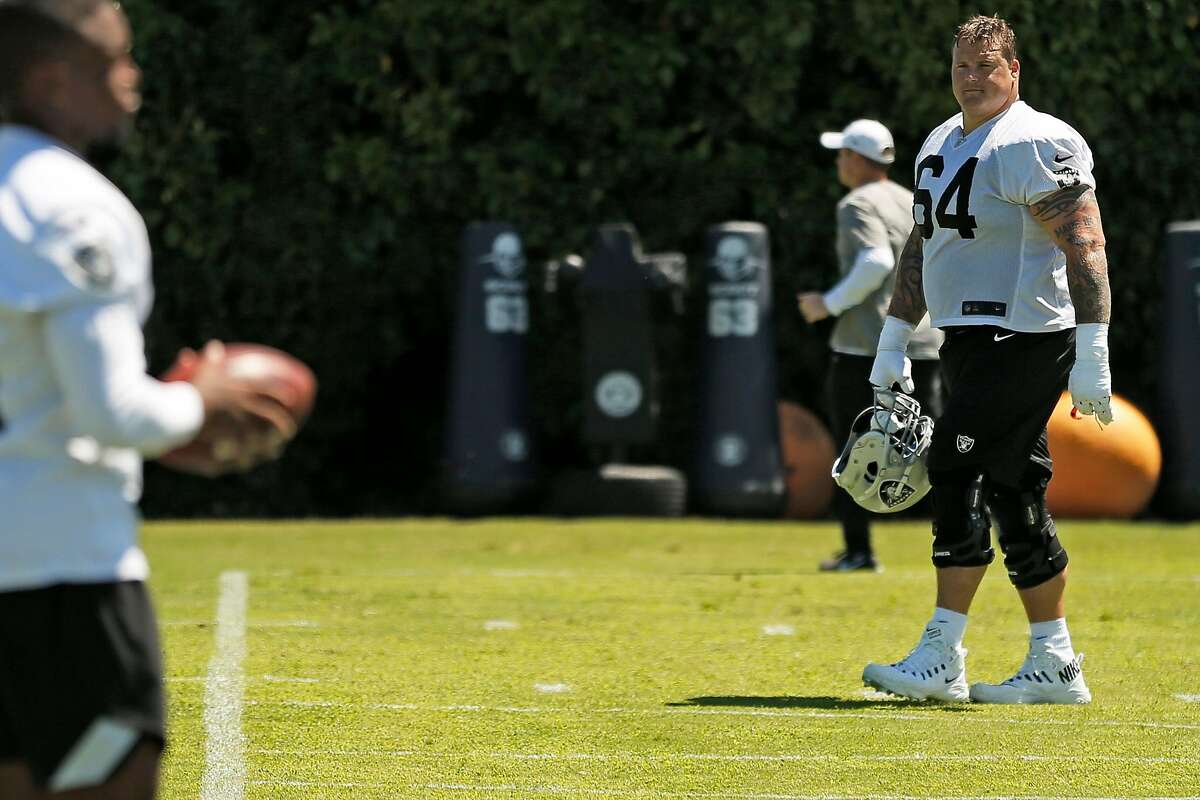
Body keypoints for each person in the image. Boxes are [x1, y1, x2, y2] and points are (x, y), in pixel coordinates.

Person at [0, 1, 295, 797]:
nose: (133, 80)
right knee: (111, 781)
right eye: (115, 61)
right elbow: (112, 414)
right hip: (60, 576)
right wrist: (205, 401)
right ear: (52, 81)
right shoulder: (67, 204)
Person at [860, 14, 1111, 704]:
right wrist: (892, 339)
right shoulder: (941, 139)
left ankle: (942, 652)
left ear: (1014, 70)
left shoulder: (1038, 139)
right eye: (961, 68)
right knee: (1012, 487)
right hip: (967, 339)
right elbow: (922, 246)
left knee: (951, 463)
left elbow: (1085, 246)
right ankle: (1055, 664)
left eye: (986, 67)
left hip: (1026, 335)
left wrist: (1093, 351)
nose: (972, 80)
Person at [799, 119, 943, 573]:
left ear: (858, 159)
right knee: (934, 446)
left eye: (842, 154)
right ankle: (965, 532)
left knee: (857, 447)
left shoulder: (857, 203)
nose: (839, 163)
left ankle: (859, 551)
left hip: (868, 346)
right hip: (925, 339)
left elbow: (875, 261)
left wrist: (828, 303)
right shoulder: (908, 199)